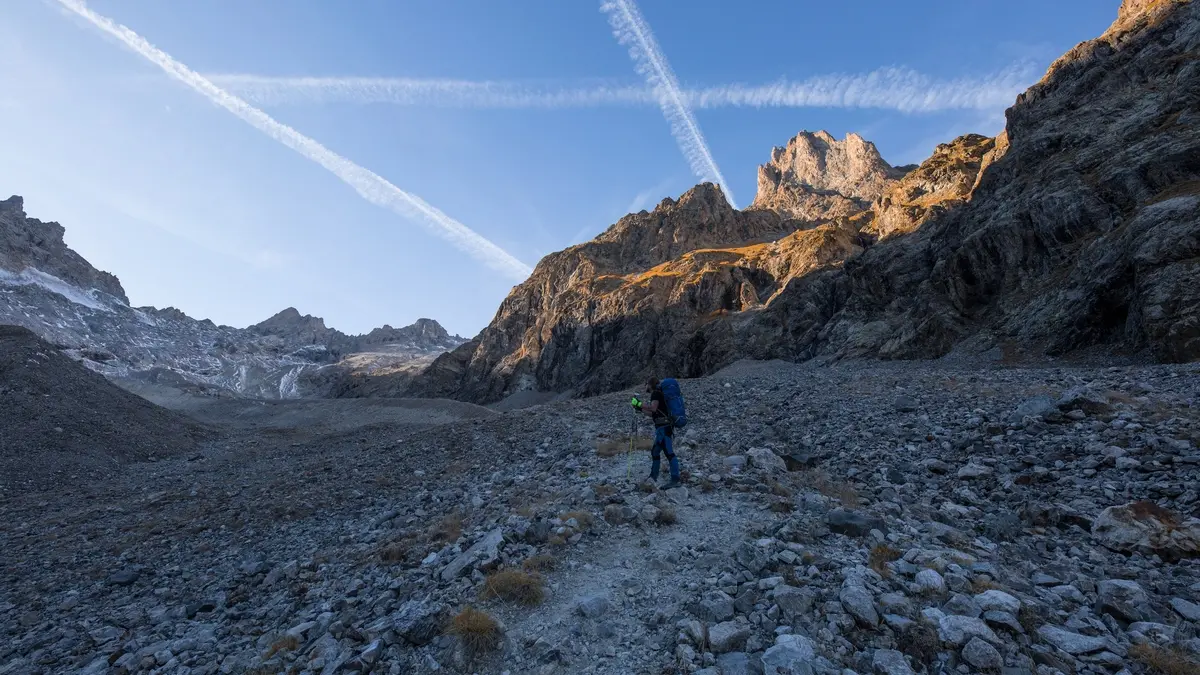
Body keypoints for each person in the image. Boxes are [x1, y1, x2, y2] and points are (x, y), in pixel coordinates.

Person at [636, 377, 682, 488]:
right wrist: (639, 409)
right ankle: (653, 477)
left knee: (669, 453)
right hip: (662, 427)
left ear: (650, 384)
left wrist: (639, 404)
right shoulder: (659, 394)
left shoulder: (656, 393)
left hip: (664, 428)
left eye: (646, 384)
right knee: (655, 452)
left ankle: (675, 479)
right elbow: (653, 414)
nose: (645, 386)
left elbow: (653, 408)